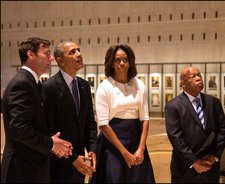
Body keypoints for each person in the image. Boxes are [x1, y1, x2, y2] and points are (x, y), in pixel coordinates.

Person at [1, 37, 73, 183]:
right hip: (21, 170)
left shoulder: (33, 83)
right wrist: (51, 144)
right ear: (30, 55)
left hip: (31, 168)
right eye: (46, 53)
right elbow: (19, 129)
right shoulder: (22, 83)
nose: (51, 58)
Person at [90, 44, 155, 183]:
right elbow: (103, 124)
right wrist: (124, 153)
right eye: (117, 60)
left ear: (130, 62)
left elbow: (145, 118)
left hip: (136, 141)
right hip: (112, 144)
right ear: (111, 63)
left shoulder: (139, 85)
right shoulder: (104, 87)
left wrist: (141, 149)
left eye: (125, 59)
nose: (122, 63)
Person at [42, 41, 98, 182]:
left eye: (78, 50)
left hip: (80, 164)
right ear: (60, 61)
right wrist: (72, 158)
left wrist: (92, 149)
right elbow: (49, 129)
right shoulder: (49, 87)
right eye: (72, 52)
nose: (79, 54)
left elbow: (90, 123)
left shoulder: (84, 86)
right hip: (58, 165)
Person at [165, 66, 225, 183]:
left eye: (199, 75)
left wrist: (214, 156)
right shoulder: (173, 106)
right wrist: (194, 162)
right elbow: (175, 137)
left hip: (210, 166)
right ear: (182, 83)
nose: (198, 78)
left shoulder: (214, 102)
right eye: (193, 76)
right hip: (185, 168)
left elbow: (222, 131)